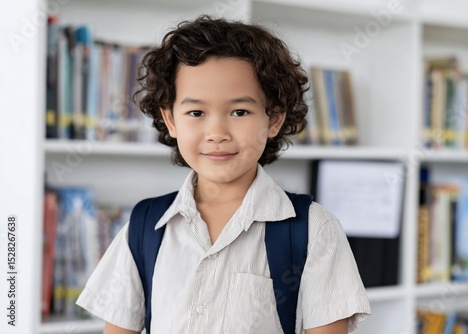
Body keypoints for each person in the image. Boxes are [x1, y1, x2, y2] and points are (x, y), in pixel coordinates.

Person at [76, 15, 371, 334]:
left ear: (274, 119)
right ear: (171, 120)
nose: (216, 132)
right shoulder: (144, 226)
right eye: (196, 113)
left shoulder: (314, 230)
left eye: (239, 112)